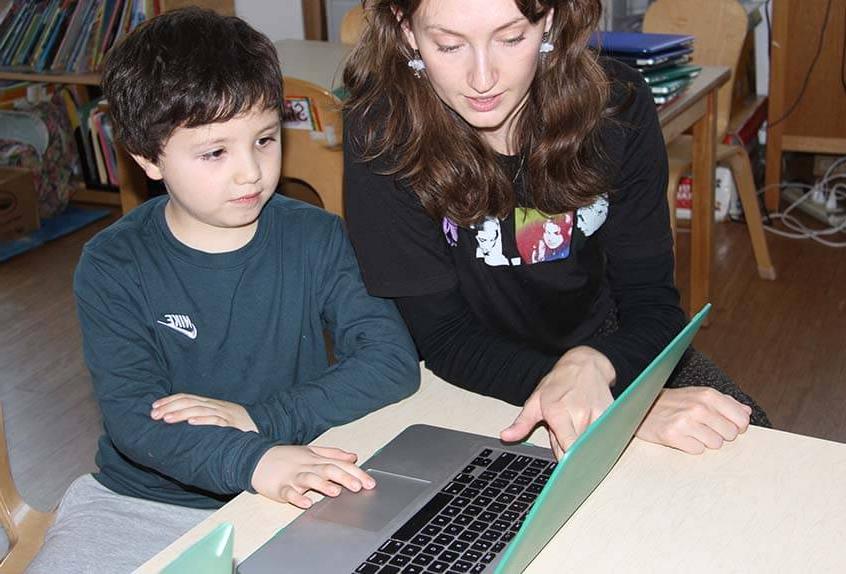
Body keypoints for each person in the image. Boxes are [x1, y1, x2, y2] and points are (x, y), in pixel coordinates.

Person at [28, 8, 419, 573]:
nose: (251, 174)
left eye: (264, 139)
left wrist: (258, 422)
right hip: (141, 502)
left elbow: (391, 363)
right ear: (146, 157)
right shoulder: (113, 263)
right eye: (215, 152)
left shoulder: (318, 238)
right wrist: (254, 458)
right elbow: (135, 420)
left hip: (286, 481)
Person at [342, 0, 770, 461]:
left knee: (761, 448)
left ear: (547, 18)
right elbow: (443, 336)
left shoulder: (616, 107)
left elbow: (652, 302)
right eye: (448, 46)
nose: (482, 78)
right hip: (465, 372)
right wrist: (617, 410)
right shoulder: (382, 133)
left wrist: (599, 369)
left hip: (609, 346)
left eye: (511, 39)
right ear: (407, 31)